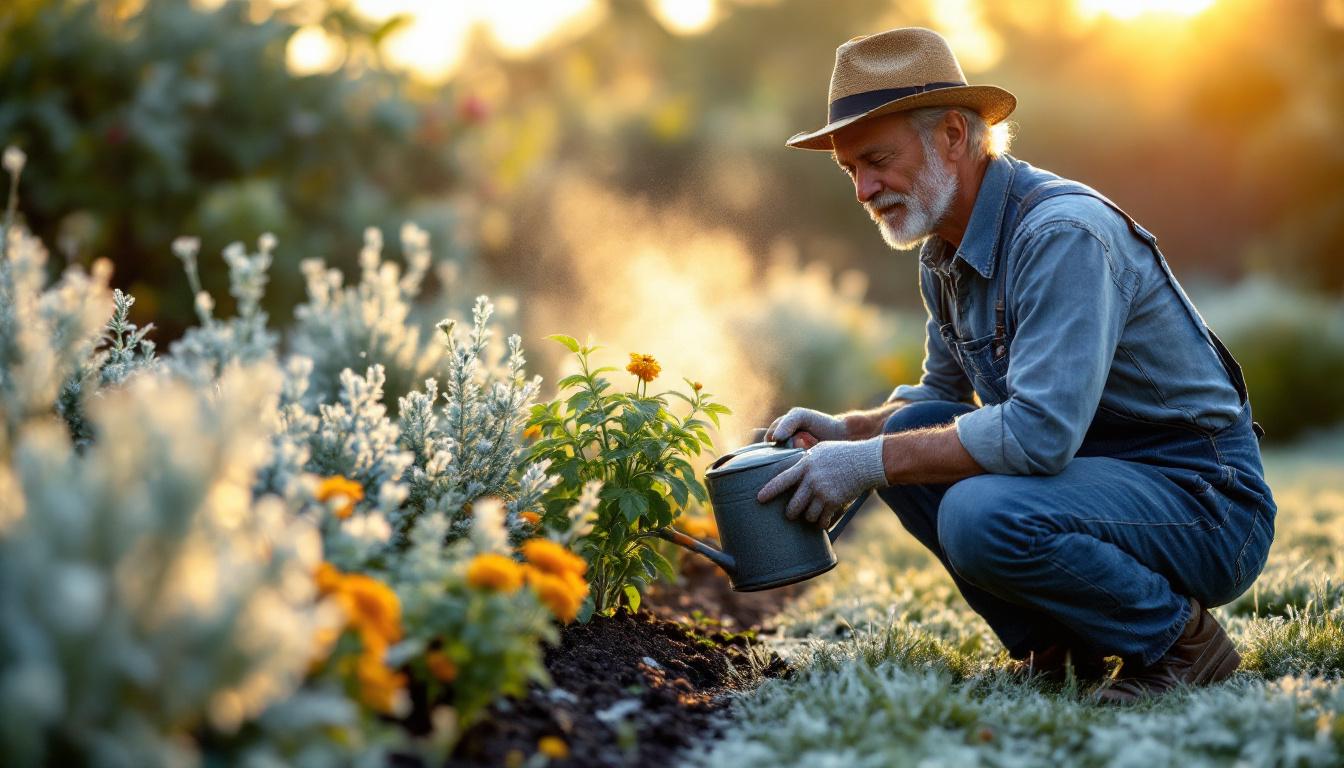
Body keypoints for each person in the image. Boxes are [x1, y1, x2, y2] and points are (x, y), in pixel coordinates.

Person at [756, 27, 1276, 705]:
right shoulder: (944, 251)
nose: (862, 188)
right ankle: (1062, 649)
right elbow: (939, 401)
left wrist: (868, 460)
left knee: (978, 513)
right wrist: (846, 431)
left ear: (950, 135)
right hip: (1100, 482)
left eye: (876, 160)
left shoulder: (1060, 234)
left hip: (1204, 503)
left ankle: (1182, 644)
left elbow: (1039, 436)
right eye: (850, 169)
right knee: (912, 428)